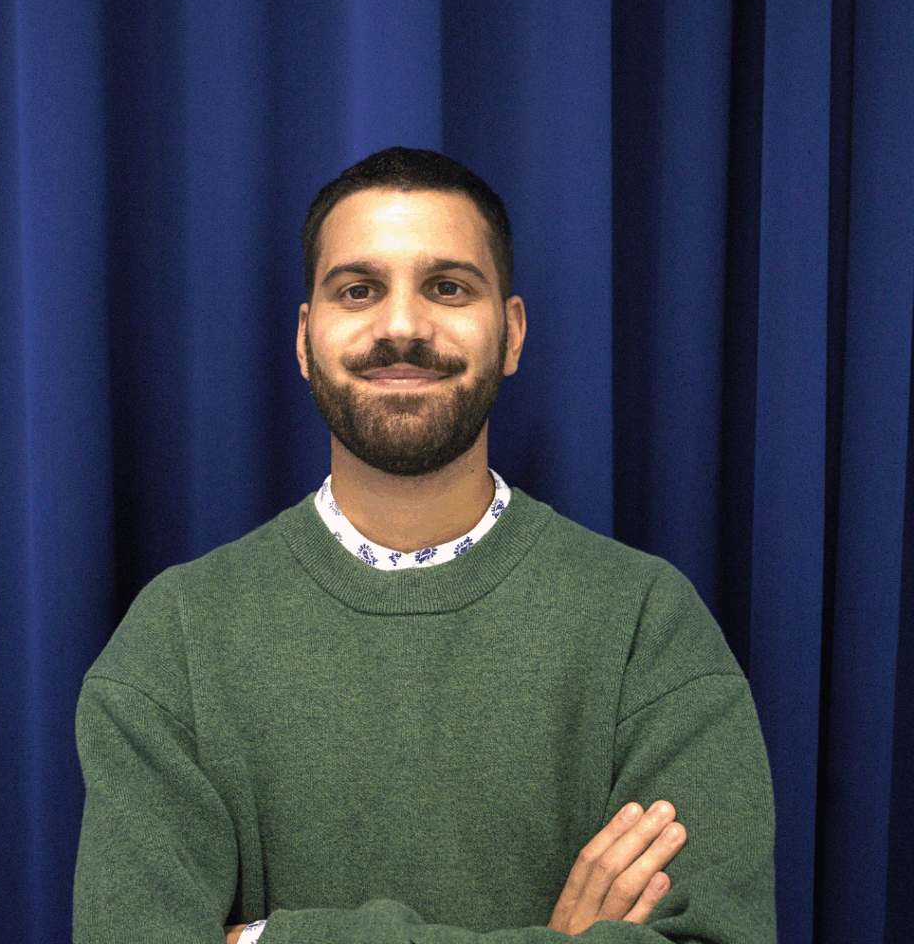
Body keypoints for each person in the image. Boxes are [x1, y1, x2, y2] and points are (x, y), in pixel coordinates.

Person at [73, 147, 776, 944]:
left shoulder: (647, 626)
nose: (402, 326)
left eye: (448, 287)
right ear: (304, 340)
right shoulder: (177, 638)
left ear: (511, 334)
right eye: (358, 290)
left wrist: (264, 940)